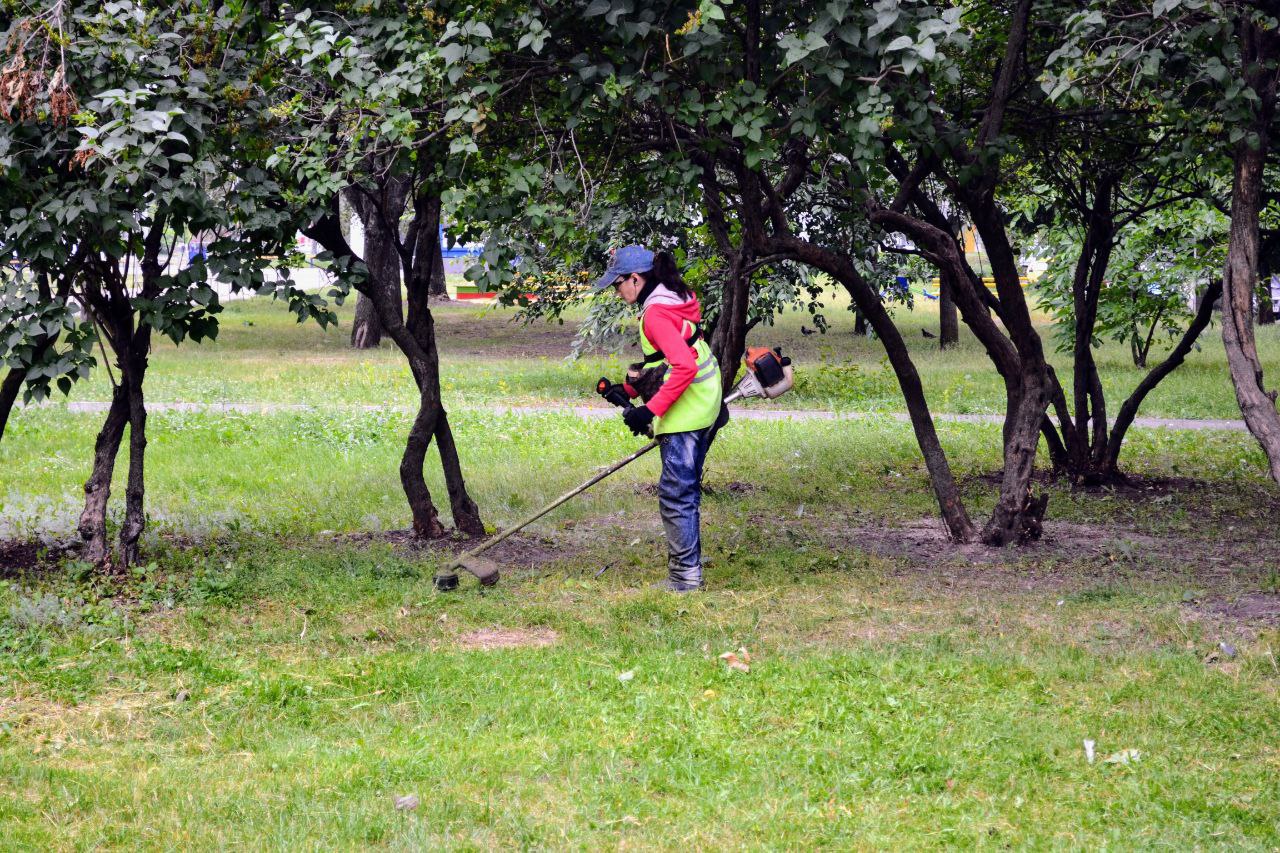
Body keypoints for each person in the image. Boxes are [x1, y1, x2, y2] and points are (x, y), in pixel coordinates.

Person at [594, 245, 723, 592]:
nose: (616, 291)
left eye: (617, 284)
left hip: (689, 408)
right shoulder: (671, 297)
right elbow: (668, 358)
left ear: (636, 279)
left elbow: (684, 366)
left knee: (676, 494)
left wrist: (649, 411)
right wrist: (633, 391)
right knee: (684, 492)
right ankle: (689, 562)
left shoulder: (654, 314)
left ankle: (685, 580)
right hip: (705, 399)